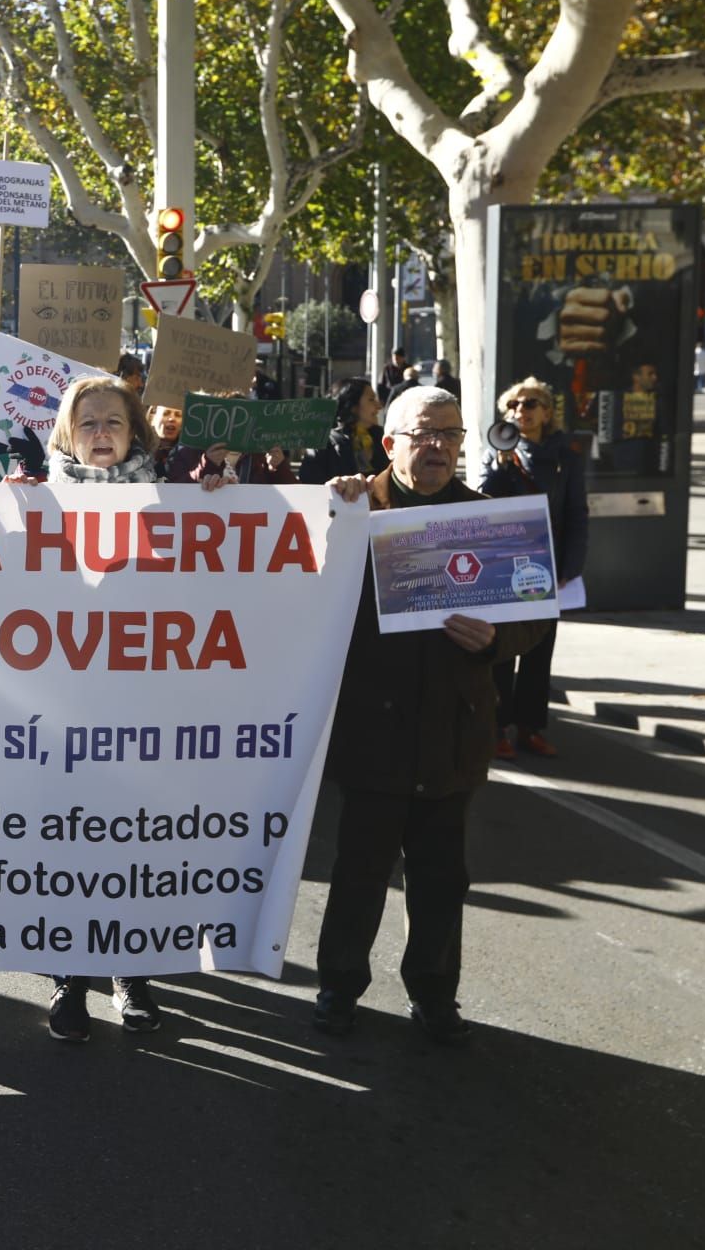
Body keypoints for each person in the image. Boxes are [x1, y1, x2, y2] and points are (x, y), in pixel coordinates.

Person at [311, 387, 551, 1046]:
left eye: (452, 434)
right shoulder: (353, 506)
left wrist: (499, 640)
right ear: (390, 444)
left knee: (443, 879)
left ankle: (435, 994)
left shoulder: (491, 519)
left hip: (454, 729)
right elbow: (295, 580)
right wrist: (331, 506)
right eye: (424, 434)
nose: (440, 446)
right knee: (359, 871)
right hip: (372, 730)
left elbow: (534, 608)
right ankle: (337, 985)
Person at [38, 376, 164, 1039]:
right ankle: (67, 983)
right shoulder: (36, 504)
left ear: (135, 430)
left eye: (114, 421)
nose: (101, 433)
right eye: (87, 423)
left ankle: (131, 976)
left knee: (129, 847)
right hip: (62, 711)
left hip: (138, 712)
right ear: (67, 434)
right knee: (65, 851)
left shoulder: (172, 502)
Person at [479, 380, 587, 758]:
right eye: (513, 405)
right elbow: (481, 503)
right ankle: (495, 729)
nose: (520, 411)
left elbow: (576, 513)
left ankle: (530, 728)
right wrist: (499, 466)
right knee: (503, 651)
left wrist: (570, 566)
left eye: (529, 404)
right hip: (506, 565)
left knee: (540, 650)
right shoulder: (498, 451)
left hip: (547, 567)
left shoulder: (565, 457)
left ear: (546, 411)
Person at [300, 377, 388, 483]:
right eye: (371, 399)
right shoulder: (322, 444)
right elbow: (311, 486)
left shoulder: (384, 439)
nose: (378, 406)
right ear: (352, 406)